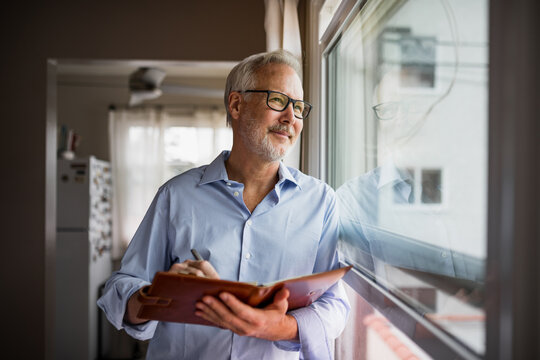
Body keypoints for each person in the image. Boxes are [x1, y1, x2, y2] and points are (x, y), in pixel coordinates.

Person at [98, 49, 350, 360]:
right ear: (236, 104)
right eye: (278, 101)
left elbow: (335, 305)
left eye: (298, 107)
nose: (291, 118)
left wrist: (274, 326)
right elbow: (119, 287)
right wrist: (160, 294)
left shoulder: (321, 202)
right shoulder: (176, 195)